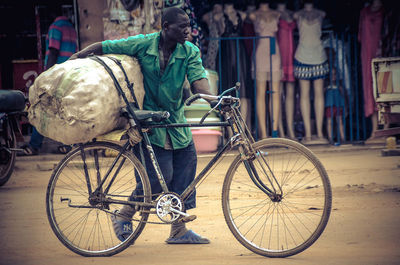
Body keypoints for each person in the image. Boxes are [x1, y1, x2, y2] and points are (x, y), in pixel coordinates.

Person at [69, 7, 211, 244]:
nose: (189, 30)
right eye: (182, 26)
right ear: (166, 28)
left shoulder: (190, 51)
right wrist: (79, 56)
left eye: (189, 25)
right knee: (158, 179)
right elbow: (108, 46)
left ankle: (178, 230)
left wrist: (215, 99)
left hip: (176, 123)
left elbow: (199, 83)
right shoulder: (144, 44)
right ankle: (124, 213)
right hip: (148, 123)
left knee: (186, 170)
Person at [20, 9, 77, 155]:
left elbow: (53, 51)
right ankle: (69, 145)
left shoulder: (55, 27)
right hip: (70, 74)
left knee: (43, 108)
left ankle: (34, 145)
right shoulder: (71, 28)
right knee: (66, 110)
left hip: (57, 75)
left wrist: (46, 75)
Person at [293, 0, 329, 144]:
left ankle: (319, 133)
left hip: (318, 56)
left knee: (319, 94)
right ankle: (308, 133)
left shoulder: (321, 14)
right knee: (304, 95)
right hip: (302, 56)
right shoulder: (298, 15)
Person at [249, 2, 281, 139]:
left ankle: (274, 131)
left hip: (275, 53)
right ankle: (263, 133)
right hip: (261, 52)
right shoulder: (253, 15)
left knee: (275, 93)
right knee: (261, 94)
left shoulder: (277, 14)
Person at [277, 1, 296, 140]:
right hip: (278, 58)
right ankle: (281, 132)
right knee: (277, 97)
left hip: (291, 57)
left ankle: (290, 130)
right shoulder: (274, 15)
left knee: (290, 96)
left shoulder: (292, 15)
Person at [325, 68, 345, 144]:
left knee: (339, 121)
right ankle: (330, 138)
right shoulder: (326, 87)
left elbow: (343, 95)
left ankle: (343, 138)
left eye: (335, 74)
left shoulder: (339, 86)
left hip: (338, 105)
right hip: (329, 106)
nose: (333, 76)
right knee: (329, 121)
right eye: (331, 74)